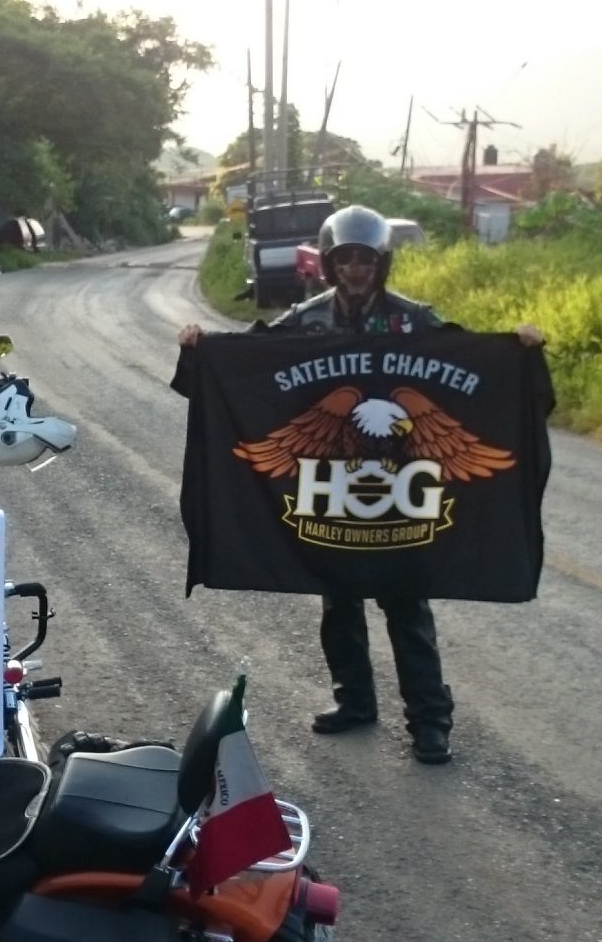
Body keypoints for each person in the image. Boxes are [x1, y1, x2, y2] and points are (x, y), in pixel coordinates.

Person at [179, 205, 544, 764]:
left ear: (382, 263)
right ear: (328, 264)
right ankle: (354, 702)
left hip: (403, 493)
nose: (355, 269)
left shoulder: (413, 320)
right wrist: (198, 350)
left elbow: (472, 362)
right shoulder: (306, 319)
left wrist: (520, 352)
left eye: (365, 259)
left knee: (407, 606)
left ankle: (430, 721)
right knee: (338, 600)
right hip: (331, 489)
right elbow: (247, 365)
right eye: (345, 259)